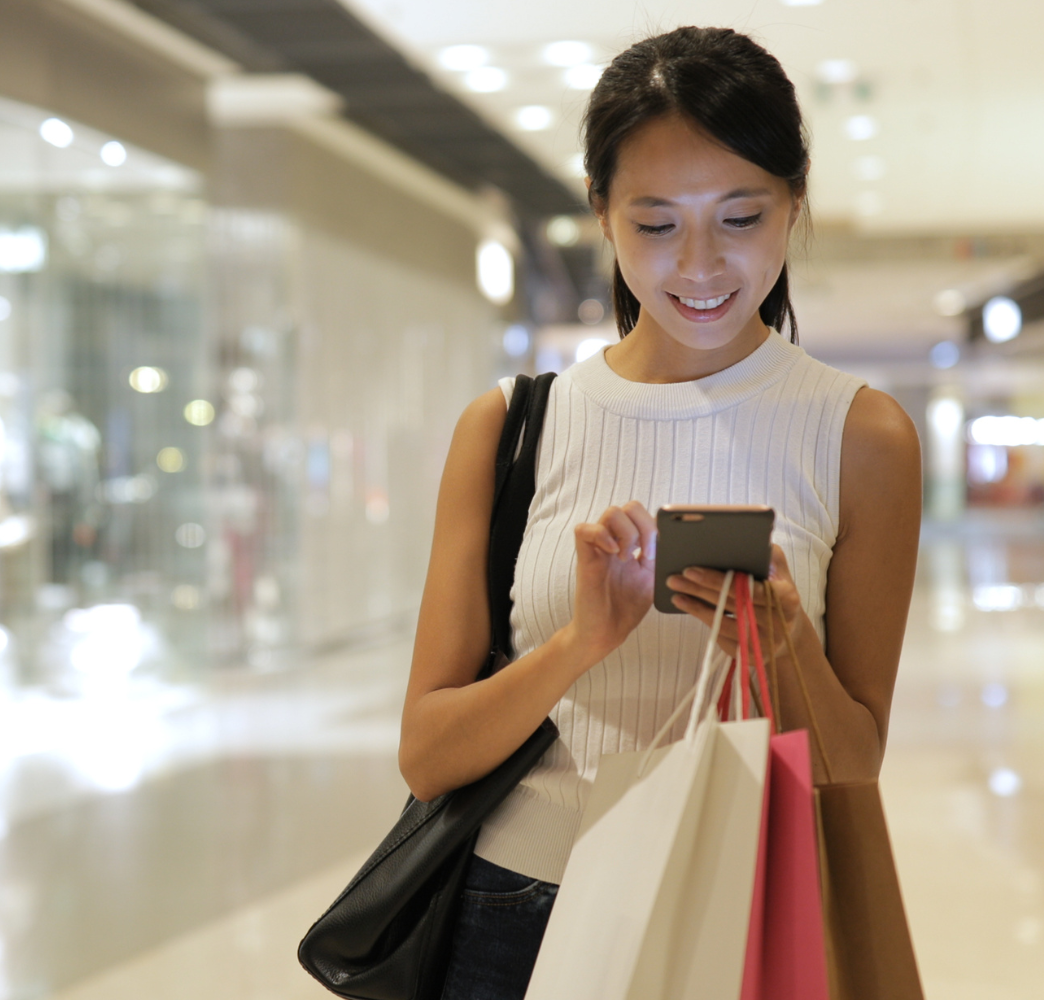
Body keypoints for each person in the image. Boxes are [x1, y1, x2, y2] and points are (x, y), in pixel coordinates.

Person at [399, 26, 921, 1000]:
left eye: (738, 217)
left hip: (743, 914)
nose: (698, 266)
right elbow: (428, 754)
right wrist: (580, 641)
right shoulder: (510, 429)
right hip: (515, 917)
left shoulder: (862, 436)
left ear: (793, 202)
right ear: (599, 211)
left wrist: (784, 639)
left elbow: (853, 762)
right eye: (653, 223)